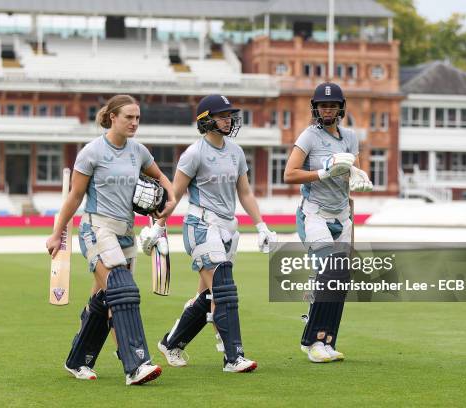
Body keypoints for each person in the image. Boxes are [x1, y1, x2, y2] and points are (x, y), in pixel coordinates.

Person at [46, 94, 175, 385]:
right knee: (123, 291)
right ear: (113, 117)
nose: (134, 123)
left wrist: (171, 201)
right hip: (96, 229)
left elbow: (163, 180)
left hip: (125, 232)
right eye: (129, 117)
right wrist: (58, 232)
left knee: (104, 299)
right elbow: (75, 196)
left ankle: (77, 360)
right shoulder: (91, 152)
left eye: (137, 118)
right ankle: (135, 364)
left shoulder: (138, 152)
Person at [150, 94, 277, 373]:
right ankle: (233, 357)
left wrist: (261, 226)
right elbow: (175, 193)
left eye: (230, 115)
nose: (229, 120)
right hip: (200, 227)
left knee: (207, 296)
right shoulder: (194, 153)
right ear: (206, 120)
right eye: (222, 115)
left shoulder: (236, 152)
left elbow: (244, 192)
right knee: (224, 290)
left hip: (228, 229)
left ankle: (171, 343)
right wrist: (158, 226)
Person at [283, 82, 372, 363]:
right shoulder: (308, 137)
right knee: (329, 275)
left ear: (341, 108)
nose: (328, 109)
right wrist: (323, 173)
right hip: (315, 214)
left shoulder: (350, 138)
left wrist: (358, 176)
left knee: (341, 280)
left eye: (332, 105)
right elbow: (289, 174)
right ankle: (312, 342)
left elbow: (350, 174)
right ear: (316, 108)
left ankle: (329, 340)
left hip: (342, 214)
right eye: (323, 105)